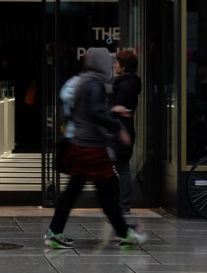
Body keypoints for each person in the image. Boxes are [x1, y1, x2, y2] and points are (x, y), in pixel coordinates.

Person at [45, 47, 145, 248]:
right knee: (108, 189)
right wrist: (117, 127)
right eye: (108, 62)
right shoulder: (95, 84)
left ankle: (55, 231)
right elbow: (94, 112)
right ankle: (124, 232)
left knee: (79, 191)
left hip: (80, 144)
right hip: (90, 147)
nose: (111, 65)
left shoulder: (84, 80)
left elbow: (87, 110)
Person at [109, 49, 142, 215]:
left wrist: (112, 109)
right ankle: (122, 203)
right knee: (122, 167)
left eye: (116, 62)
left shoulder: (125, 85)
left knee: (120, 167)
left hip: (121, 131)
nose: (114, 65)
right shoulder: (128, 83)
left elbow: (116, 108)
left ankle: (122, 204)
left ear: (124, 66)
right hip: (124, 129)